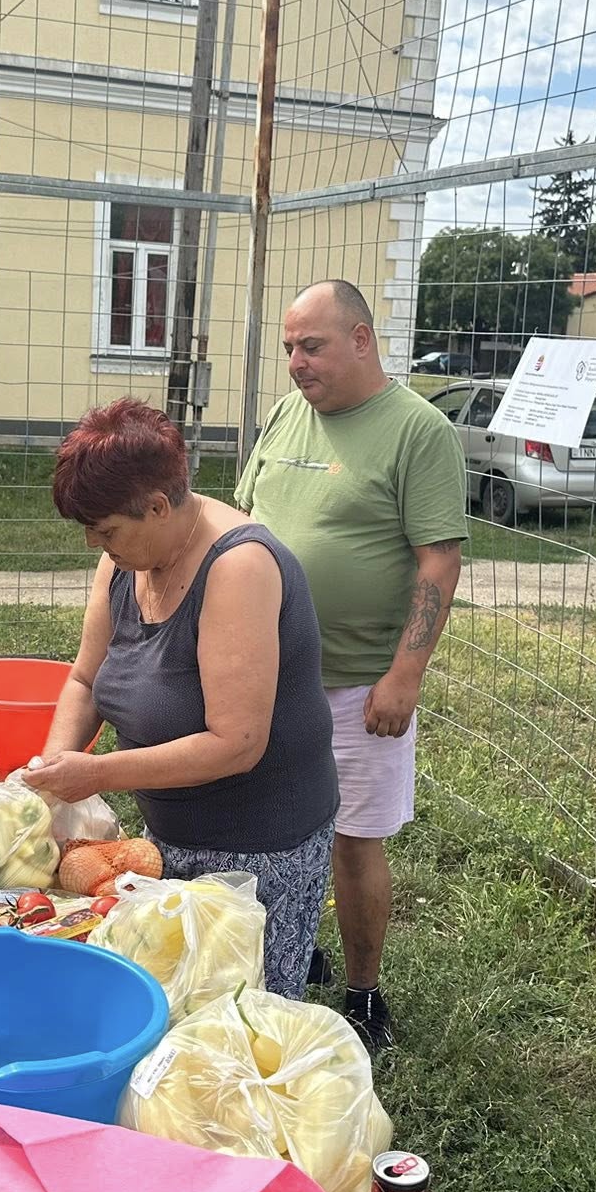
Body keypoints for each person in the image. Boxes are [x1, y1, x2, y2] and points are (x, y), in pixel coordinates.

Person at [22, 400, 339, 998]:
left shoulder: (240, 567)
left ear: (159, 507)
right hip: (169, 833)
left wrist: (95, 773)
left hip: (257, 849)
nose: (95, 541)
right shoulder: (123, 561)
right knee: (170, 1002)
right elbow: (86, 678)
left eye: (106, 528)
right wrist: (51, 770)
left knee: (236, 1023)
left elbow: (237, 743)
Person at [235, 280, 466, 1051]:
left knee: (353, 839)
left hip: (358, 683)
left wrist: (405, 675)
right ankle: (296, 949)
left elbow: (438, 560)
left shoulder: (417, 431)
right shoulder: (285, 412)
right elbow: (243, 525)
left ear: (362, 340)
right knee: (266, 831)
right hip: (267, 676)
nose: (297, 363)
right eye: (290, 348)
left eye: (314, 346)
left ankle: (364, 995)